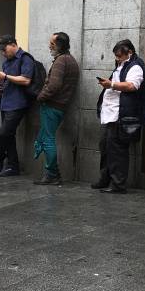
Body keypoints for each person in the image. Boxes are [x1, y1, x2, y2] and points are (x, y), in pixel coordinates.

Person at [93, 39, 145, 194]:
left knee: (117, 150)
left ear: (129, 53)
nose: (117, 58)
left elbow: (132, 85)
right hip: (111, 114)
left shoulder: (136, 66)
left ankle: (118, 184)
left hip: (121, 115)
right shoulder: (121, 65)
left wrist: (110, 85)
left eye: (119, 56)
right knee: (105, 146)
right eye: (116, 56)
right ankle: (105, 178)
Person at [33, 32, 80, 185]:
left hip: (52, 106)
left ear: (59, 45)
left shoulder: (61, 61)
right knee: (48, 138)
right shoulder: (70, 60)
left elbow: (54, 85)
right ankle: (55, 173)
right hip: (60, 106)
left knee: (48, 140)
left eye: (52, 44)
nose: (49, 46)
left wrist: (40, 97)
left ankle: (51, 173)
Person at [0, 35, 35, 177]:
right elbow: (5, 82)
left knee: (3, 133)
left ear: (12, 44)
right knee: (9, 135)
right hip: (6, 103)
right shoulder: (6, 62)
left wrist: (6, 77)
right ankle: (12, 166)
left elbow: (26, 80)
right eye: (1, 50)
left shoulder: (25, 58)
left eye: (4, 49)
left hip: (18, 103)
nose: (3, 53)